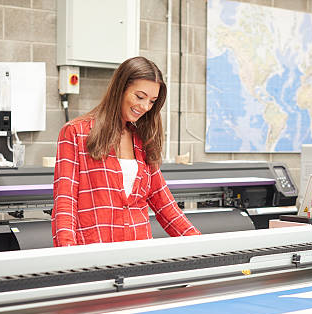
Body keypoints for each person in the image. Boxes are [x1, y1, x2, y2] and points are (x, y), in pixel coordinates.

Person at [52, 56, 201, 247]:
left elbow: (165, 204)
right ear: (120, 89)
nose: (145, 107)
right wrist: (66, 257)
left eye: (152, 101)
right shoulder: (76, 132)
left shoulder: (142, 139)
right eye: (139, 97)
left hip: (138, 254)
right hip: (94, 254)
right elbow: (65, 202)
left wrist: (203, 246)